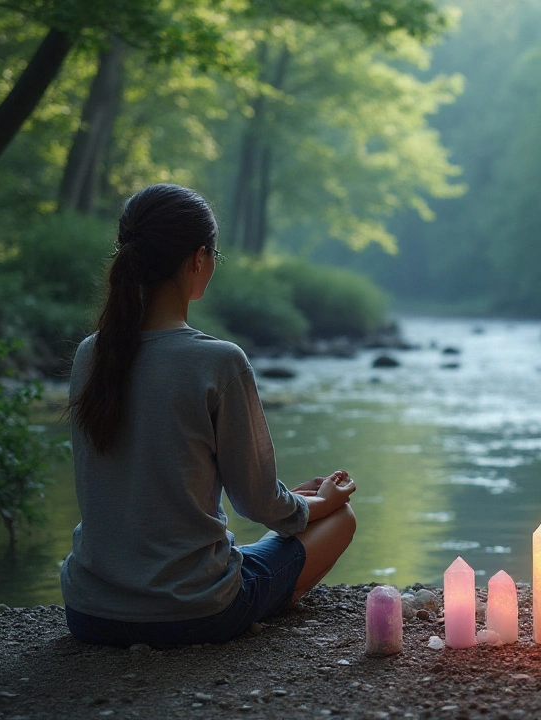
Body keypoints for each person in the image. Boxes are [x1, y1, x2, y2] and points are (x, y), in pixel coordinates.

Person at [60, 183, 356, 647]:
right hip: (193, 612)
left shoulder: (89, 355)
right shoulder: (219, 361)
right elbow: (259, 506)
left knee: (281, 528)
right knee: (342, 522)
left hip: (89, 611)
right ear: (199, 258)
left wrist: (290, 502)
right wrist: (324, 503)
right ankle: (273, 599)